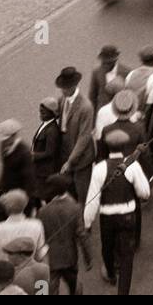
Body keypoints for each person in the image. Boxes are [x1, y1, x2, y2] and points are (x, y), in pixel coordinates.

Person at [84, 130, 151, 294]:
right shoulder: (132, 166)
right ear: (124, 146)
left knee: (107, 248)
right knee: (127, 256)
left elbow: (92, 199)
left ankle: (111, 273)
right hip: (127, 215)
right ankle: (123, 291)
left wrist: (87, 222)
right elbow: (145, 192)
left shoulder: (99, 169)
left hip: (107, 216)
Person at [37, 174, 90, 295]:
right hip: (70, 257)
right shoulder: (75, 208)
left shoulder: (43, 212)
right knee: (74, 285)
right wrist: (88, 258)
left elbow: (40, 235)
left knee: (50, 289)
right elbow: (82, 235)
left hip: (51, 259)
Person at [55, 65, 96, 203]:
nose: (62, 90)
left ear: (74, 85)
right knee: (70, 190)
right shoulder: (62, 100)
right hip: (66, 153)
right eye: (62, 87)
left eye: (65, 87)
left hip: (81, 158)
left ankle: (85, 221)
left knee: (82, 193)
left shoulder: (86, 106)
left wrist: (70, 161)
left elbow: (84, 137)